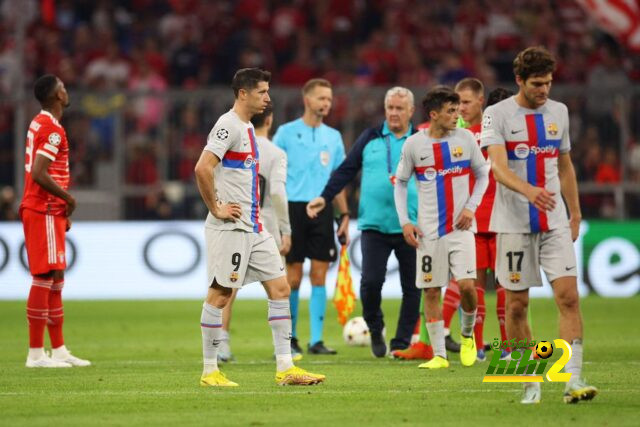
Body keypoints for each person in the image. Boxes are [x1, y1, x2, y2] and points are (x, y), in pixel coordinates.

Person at [481, 46, 597, 404]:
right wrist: (529, 191)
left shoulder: (559, 112)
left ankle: (571, 380)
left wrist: (574, 213)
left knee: (569, 297)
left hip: (555, 222)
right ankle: (529, 381)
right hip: (514, 223)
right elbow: (498, 168)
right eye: (536, 84)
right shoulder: (496, 114)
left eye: (548, 83)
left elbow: (564, 166)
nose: (544, 90)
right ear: (519, 80)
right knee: (516, 306)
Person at [194, 68, 324, 386]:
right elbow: (202, 167)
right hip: (231, 228)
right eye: (262, 92)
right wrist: (216, 207)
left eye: (268, 91)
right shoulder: (228, 125)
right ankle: (210, 371)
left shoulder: (249, 128)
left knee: (280, 288)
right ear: (243, 93)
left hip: (255, 226)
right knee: (221, 293)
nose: (268, 97)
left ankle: (285, 368)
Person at [306, 87, 426, 358]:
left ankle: (400, 342)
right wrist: (325, 198)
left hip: (412, 224)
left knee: (413, 287)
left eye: (399, 108)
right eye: (390, 108)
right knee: (370, 283)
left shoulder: (420, 140)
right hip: (374, 225)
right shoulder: (370, 137)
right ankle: (375, 326)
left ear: (410, 111)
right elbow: (346, 169)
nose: (394, 113)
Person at [394, 86, 489, 370]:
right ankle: (439, 355)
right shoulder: (414, 144)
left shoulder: (466, 139)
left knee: (467, 287)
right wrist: (405, 222)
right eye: (450, 111)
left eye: (458, 109)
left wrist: (471, 207)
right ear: (434, 115)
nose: (457, 115)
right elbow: (399, 183)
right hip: (428, 231)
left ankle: (468, 334)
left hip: (460, 229)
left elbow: (483, 174)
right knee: (432, 291)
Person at [273, 78, 349, 357]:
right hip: (293, 209)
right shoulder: (285, 133)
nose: (326, 104)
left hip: (323, 208)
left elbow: (337, 180)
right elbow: (272, 172)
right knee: (292, 277)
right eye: (321, 98)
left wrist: (344, 214)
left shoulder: (333, 137)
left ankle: (316, 341)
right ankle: (290, 339)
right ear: (307, 100)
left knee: (319, 274)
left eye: (329, 99)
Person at [20, 74, 91, 368]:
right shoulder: (51, 129)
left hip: (50, 210)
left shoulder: (42, 122)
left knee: (57, 276)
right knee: (45, 277)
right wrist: (68, 199)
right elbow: (39, 172)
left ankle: (58, 349)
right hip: (43, 208)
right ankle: (36, 354)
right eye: (63, 87)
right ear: (56, 96)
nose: (66, 90)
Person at [217, 102, 295, 362]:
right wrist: (286, 229)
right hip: (266, 225)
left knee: (228, 287)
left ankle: (222, 344)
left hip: (235, 221)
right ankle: (282, 349)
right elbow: (277, 192)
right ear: (270, 120)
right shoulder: (275, 153)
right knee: (277, 288)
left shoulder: (236, 143)